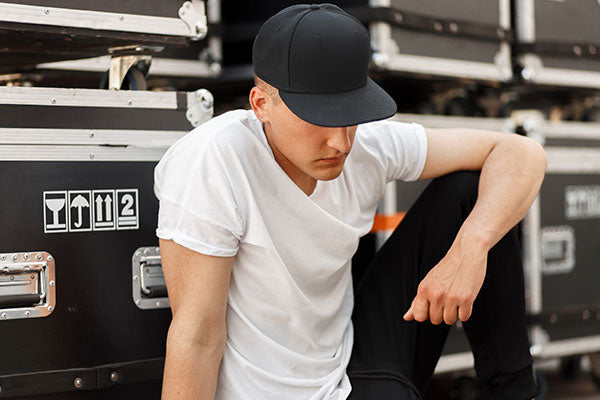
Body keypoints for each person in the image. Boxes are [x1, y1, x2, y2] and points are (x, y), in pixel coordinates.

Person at [154, 4, 546, 399]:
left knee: (474, 188)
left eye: (350, 115)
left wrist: (471, 248)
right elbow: (197, 339)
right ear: (261, 105)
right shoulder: (213, 162)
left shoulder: (366, 145)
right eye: (319, 118)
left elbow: (521, 154)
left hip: (349, 367)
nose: (340, 143)